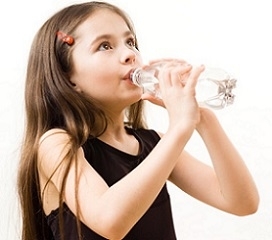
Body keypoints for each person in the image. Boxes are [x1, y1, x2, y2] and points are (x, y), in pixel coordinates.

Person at [17, 1, 259, 240]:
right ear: (68, 78)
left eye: (130, 42)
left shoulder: (153, 144)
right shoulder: (57, 144)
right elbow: (111, 222)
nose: (129, 54)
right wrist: (179, 128)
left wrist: (202, 119)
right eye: (104, 46)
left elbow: (242, 202)